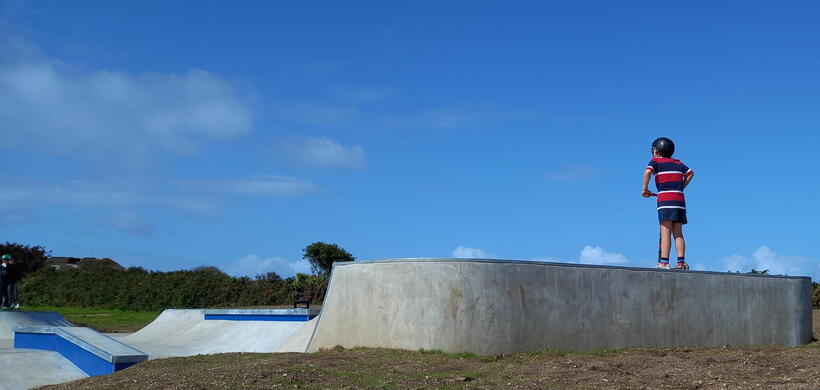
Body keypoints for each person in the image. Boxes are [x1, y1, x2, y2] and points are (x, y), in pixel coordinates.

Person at [641, 137, 694, 270]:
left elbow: (647, 171)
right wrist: (680, 187)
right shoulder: (677, 163)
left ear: (655, 150)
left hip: (665, 200)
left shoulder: (656, 161)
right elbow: (690, 173)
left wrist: (645, 189)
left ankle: (664, 262)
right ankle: (681, 263)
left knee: (665, 230)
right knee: (678, 232)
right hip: (679, 200)